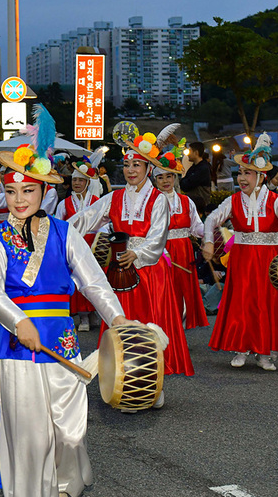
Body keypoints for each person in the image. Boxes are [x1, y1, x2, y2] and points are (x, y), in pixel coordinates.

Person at [0, 124, 128, 497]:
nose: (19, 199)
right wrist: (16, 320)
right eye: (11, 192)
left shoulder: (65, 233)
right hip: (16, 344)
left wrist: (116, 320)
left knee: (70, 430)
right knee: (30, 434)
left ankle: (63, 483)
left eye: (27, 191)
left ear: (44, 191)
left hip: (60, 340)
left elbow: (95, 282)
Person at [68, 122, 193, 383]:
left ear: (148, 168)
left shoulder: (159, 200)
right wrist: (52, 228)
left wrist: (137, 254)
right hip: (120, 274)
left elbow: (158, 239)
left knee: (150, 327)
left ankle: (154, 384)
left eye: (137, 165)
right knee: (121, 327)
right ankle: (123, 382)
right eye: (126, 165)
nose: (130, 170)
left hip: (150, 274)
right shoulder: (114, 198)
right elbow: (85, 219)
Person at [202, 135, 278, 370]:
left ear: (260, 177)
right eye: (239, 173)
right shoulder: (233, 200)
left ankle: (265, 351)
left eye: (246, 173)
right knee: (242, 302)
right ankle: (241, 348)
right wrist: (208, 241)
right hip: (243, 259)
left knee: (268, 302)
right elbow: (211, 220)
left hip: (270, 260)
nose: (241, 178)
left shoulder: (275, 200)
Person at [152, 163, 209, 331]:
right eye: (160, 177)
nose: (165, 181)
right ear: (155, 180)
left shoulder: (186, 201)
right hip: (161, 252)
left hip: (184, 253)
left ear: (175, 177)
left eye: (169, 176)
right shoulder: (151, 202)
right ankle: (163, 329)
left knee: (183, 292)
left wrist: (211, 232)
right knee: (163, 292)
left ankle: (179, 330)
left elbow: (197, 227)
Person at [54, 150, 104, 332]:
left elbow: (104, 224)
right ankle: (82, 316)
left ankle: (92, 313)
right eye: (74, 180)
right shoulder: (64, 203)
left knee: (94, 280)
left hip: (93, 245)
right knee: (79, 280)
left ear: (88, 182)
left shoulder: (97, 201)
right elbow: (59, 225)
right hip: (73, 246)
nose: (76, 183)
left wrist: (100, 242)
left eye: (80, 180)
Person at [179, 141, 212, 211]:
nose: (188, 154)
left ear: (196, 153)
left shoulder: (203, 168)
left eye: (190, 151)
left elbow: (187, 185)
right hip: (194, 205)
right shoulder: (194, 167)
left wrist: (183, 181)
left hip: (200, 208)